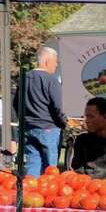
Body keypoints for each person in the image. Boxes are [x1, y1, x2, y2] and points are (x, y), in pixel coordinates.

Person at [18, 44, 69, 175]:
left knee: (32, 163)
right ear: (47, 61)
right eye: (55, 62)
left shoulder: (24, 78)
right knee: (50, 168)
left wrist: (24, 120)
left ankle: (29, 192)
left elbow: (16, 103)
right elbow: (58, 107)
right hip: (48, 127)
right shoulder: (51, 80)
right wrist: (64, 123)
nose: (56, 65)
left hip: (28, 127)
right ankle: (47, 194)